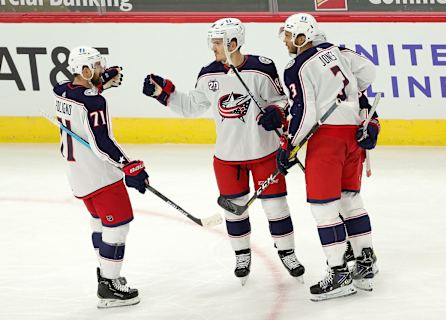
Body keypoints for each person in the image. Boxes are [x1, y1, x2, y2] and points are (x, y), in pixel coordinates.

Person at [142, 18, 305, 285]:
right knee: (234, 211)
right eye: (213, 42)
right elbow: (192, 106)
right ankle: (242, 255)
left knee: (276, 207)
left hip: (264, 152)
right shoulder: (208, 73)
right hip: (228, 158)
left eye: (218, 42)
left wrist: (276, 112)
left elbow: (282, 101)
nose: (213, 47)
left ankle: (287, 252)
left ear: (233, 42)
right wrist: (164, 94)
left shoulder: (261, 68)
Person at [277, 13, 379, 301]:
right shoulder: (339, 51)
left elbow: (305, 110)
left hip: (328, 141)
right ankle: (365, 262)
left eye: (288, 35)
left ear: (301, 37)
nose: (285, 40)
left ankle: (339, 274)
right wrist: (364, 114)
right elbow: (368, 75)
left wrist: (289, 144)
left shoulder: (296, 65)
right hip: (353, 135)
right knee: (350, 200)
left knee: (324, 208)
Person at [53, 46, 149, 308]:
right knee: (118, 226)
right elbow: (102, 143)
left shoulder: (60, 90)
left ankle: (104, 270)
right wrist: (130, 166)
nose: (101, 71)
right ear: (84, 70)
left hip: (77, 175)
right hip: (101, 175)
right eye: (95, 67)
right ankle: (109, 285)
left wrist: (98, 85)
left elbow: (79, 98)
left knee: (99, 222)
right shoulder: (95, 102)